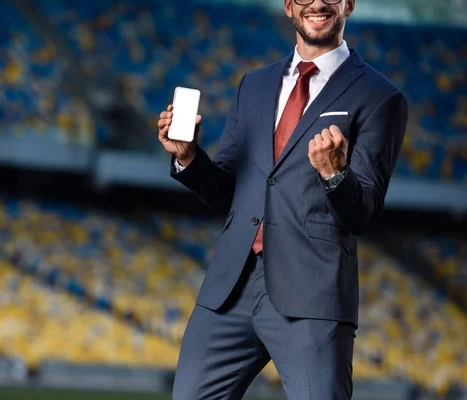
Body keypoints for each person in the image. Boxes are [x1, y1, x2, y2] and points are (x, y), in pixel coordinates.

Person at [157, 0, 408, 399]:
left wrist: (334, 174)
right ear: (290, 6)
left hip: (312, 294)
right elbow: (227, 192)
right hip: (229, 290)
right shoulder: (253, 85)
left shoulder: (379, 97)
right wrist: (188, 157)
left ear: (349, 4)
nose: (318, 4)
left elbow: (362, 213)